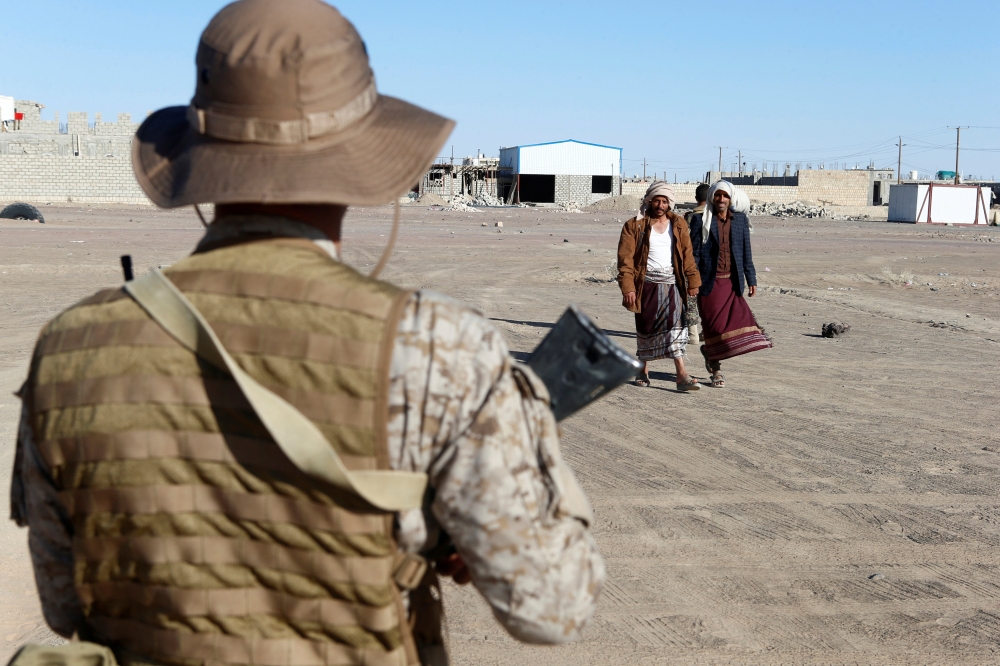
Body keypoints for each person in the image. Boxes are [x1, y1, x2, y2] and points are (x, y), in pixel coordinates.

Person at [8, 2, 605, 666]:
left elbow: (65, 606)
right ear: (362, 156)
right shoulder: (438, 346)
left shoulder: (70, 347)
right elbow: (552, 604)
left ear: (203, 161)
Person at [616, 182, 702, 390]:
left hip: (673, 285)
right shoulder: (633, 226)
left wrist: (693, 281)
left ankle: (681, 375)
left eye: (664, 201)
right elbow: (625, 260)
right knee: (646, 329)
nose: (660, 205)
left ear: (670, 203)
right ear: (649, 200)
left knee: (676, 329)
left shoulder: (679, 224)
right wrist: (628, 288)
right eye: (657, 200)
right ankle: (642, 369)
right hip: (646, 285)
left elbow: (687, 256)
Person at [688, 181, 772, 387]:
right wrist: (692, 280)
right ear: (712, 198)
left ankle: (709, 352)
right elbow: (695, 254)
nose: (721, 200)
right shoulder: (700, 220)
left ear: (731, 198)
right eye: (718, 196)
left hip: (732, 282)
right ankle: (715, 369)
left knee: (736, 322)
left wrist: (751, 278)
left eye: (725, 196)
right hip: (708, 282)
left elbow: (746, 251)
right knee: (713, 326)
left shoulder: (740, 220)